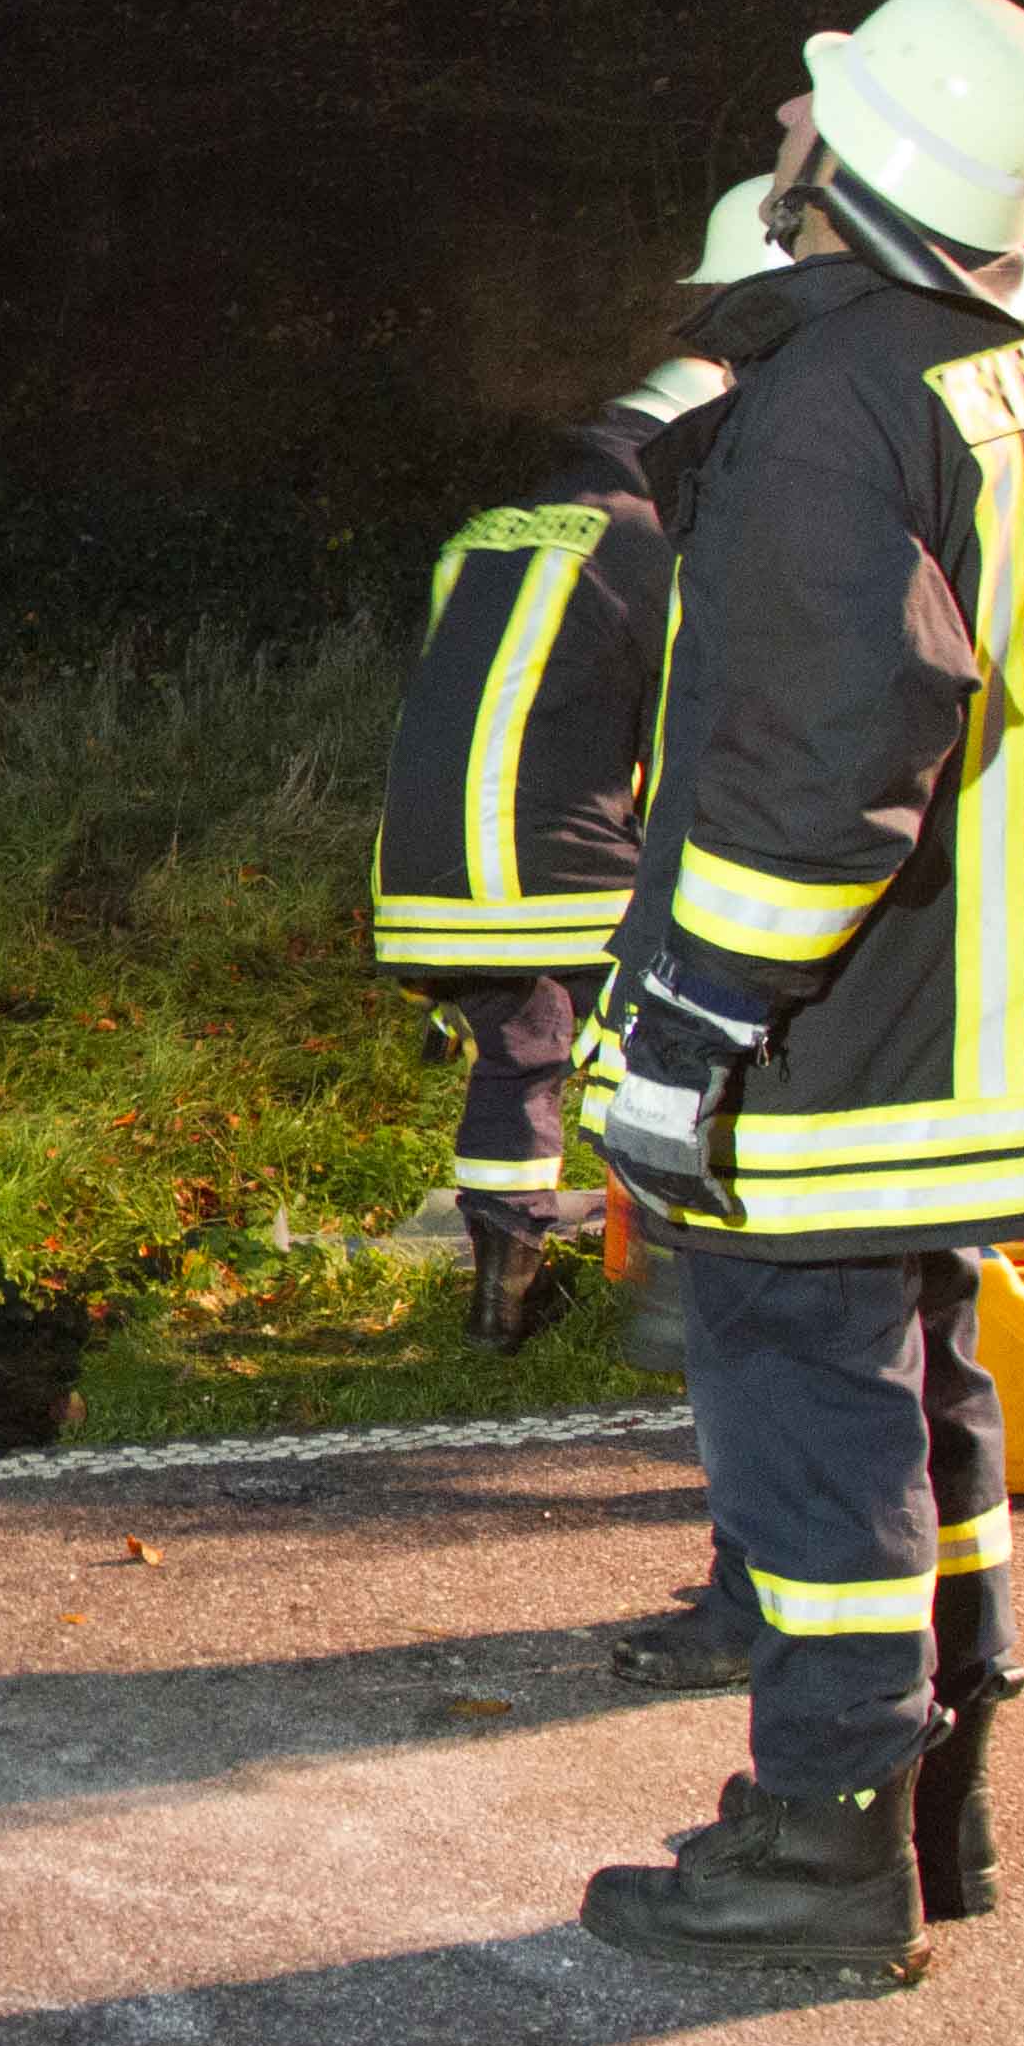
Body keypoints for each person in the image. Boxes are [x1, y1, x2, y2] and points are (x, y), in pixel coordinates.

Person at [582, 0, 1024, 1976]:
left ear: (856, 150)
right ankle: (930, 1801)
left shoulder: (832, 397)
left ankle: (824, 1847)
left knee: (811, 1440)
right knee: (929, 1412)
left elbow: (818, 753)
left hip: (839, 1052)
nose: (782, 132)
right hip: (993, 1036)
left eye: (808, 114)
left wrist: (694, 1018)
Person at [370, 324, 723, 1353]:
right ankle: (670, 1296)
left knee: (517, 1056)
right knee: (652, 1052)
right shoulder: (656, 544)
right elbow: (677, 740)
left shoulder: (483, 532)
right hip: (563, 866)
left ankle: (498, 1304)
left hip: (428, 874)